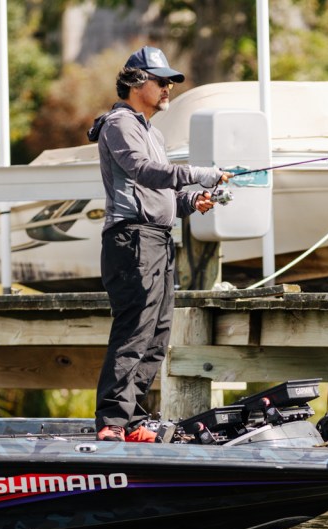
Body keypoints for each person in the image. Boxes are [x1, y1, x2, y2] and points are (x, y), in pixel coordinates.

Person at [87, 46, 231, 442]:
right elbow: (143, 171)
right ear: (137, 83)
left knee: (157, 335)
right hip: (131, 240)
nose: (168, 88)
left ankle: (133, 421)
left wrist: (192, 201)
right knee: (134, 330)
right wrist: (199, 173)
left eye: (170, 82)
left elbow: (162, 194)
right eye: (161, 80)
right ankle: (112, 422)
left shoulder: (152, 131)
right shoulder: (119, 123)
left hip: (156, 239)